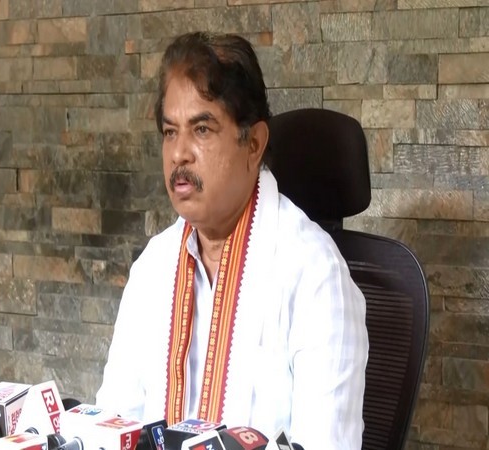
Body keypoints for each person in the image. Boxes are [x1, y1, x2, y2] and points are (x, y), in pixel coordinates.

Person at [95, 31, 368, 449]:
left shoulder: (314, 273)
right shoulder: (153, 267)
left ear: (253, 144)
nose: (179, 154)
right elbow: (113, 426)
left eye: (201, 129)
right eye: (170, 132)